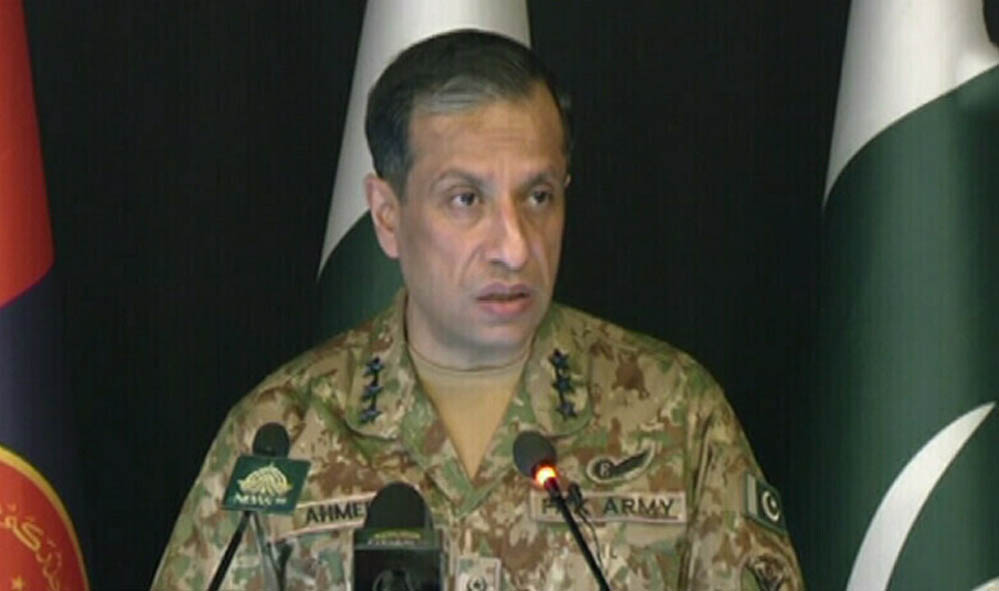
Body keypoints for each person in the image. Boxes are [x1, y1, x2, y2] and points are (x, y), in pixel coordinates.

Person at [152, 29, 803, 590]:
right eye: (465, 199)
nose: (514, 247)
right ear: (387, 214)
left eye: (539, 196)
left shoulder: (675, 413)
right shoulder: (280, 434)